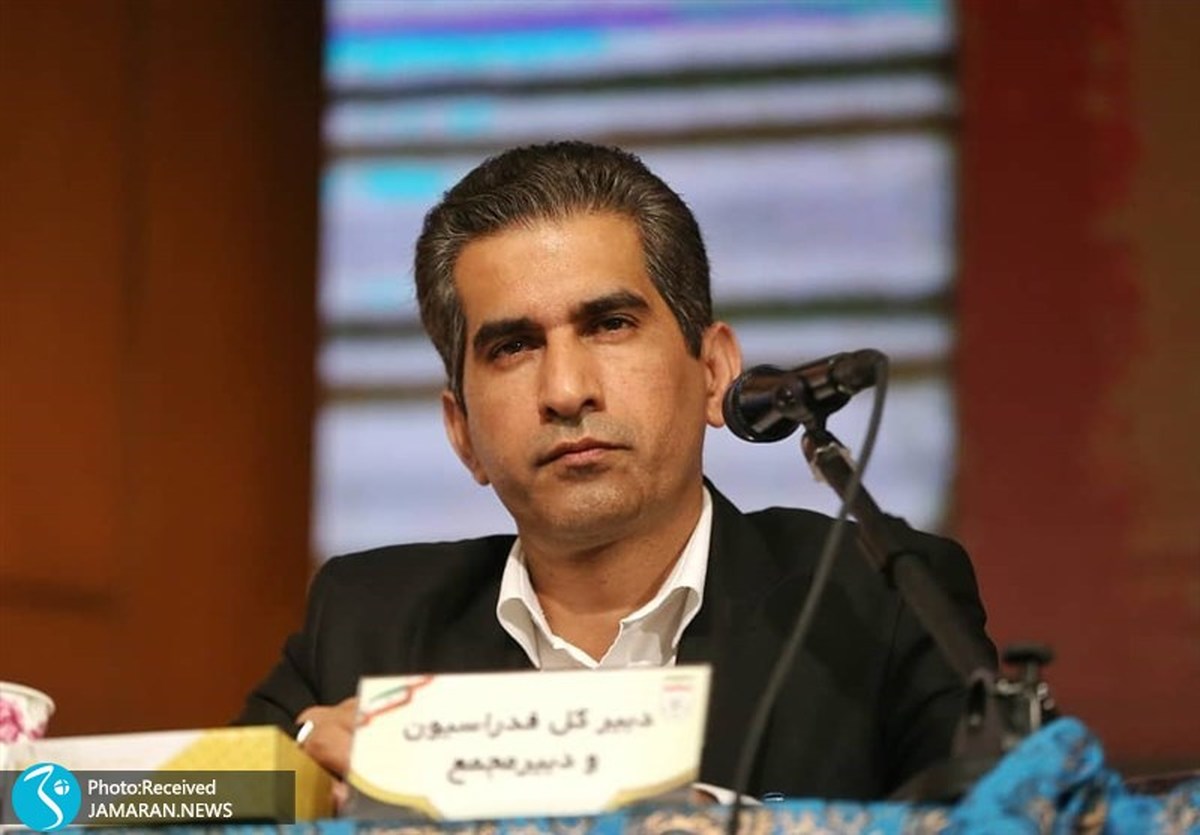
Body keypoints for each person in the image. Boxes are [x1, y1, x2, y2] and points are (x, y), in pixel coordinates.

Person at [237, 140, 995, 801]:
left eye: (610, 324)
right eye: (513, 347)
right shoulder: (366, 619)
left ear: (713, 372)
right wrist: (300, 764)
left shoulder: (883, 600)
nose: (567, 390)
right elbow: (174, 800)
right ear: (462, 431)